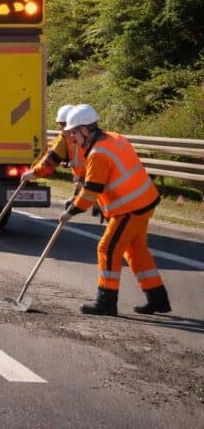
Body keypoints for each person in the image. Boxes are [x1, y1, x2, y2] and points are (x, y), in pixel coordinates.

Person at [22, 104, 170, 316]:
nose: (72, 137)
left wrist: (71, 211)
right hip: (143, 201)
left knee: (107, 248)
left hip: (130, 208)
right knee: (135, 250)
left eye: (73, 132)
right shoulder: (112, 138)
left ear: (84, 130)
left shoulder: (98, 154)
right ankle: (158, 299)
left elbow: (91, 192)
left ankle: (106, 302)